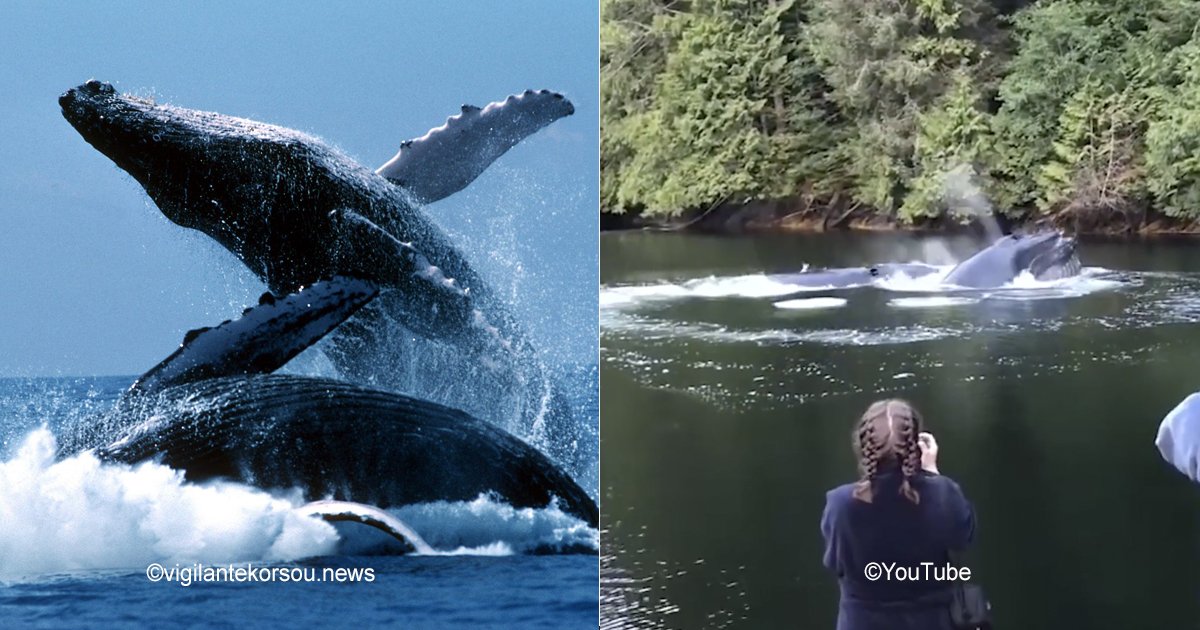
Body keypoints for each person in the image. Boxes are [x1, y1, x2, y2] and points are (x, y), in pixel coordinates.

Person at [820, 399, 977, 630]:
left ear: (864, 448)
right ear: (915, 446)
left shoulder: (841, 504)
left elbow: (836, 563)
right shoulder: (942, 492)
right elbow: (964, 537)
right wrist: (933, 474)